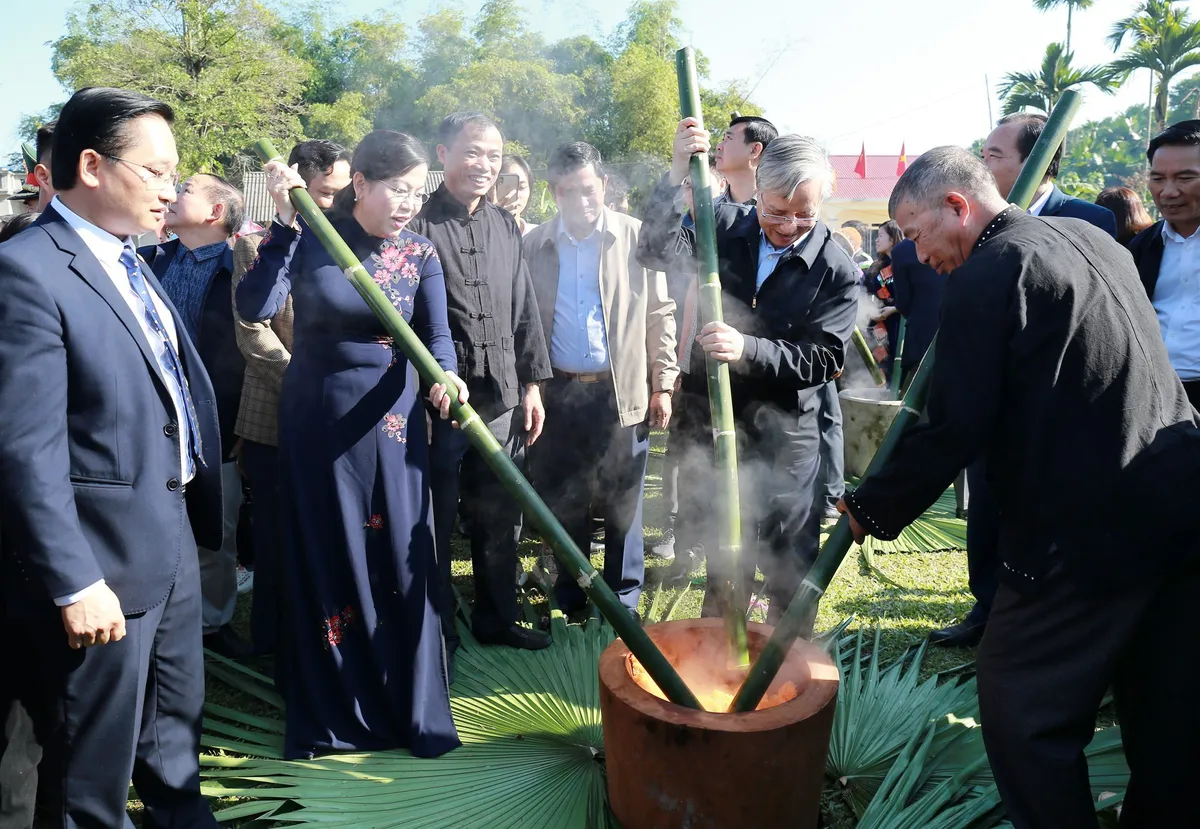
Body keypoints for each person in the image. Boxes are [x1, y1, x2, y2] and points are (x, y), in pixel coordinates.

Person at [839, 145, 1200, 829]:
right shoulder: (1094, 239)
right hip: (1179, 502)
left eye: (915, 234)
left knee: (1019, 706)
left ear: (957, 205)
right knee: (1165, 712)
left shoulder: (991, 272)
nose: (915, 254)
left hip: (1089, 530)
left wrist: (869, 507)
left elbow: (955, 424)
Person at [0, 86, 223, 827]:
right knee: (88, 784)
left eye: (176, 175)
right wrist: (73, 580)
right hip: (98, 572)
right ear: (92, 165)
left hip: (169, 543)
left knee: (175, 755)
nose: (173, 189)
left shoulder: (129, 260)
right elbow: (25, 448)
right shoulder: (29, 271)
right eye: (157, 172)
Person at [236, 129, 463, 760]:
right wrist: (283, 224)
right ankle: (334, 702)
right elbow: (255, 305)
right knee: (332, 550)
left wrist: (447, 378)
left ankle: (403, 702)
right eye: (397, 189)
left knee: (395, 550)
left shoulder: (421, 252)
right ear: (360, 182)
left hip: (392, 423)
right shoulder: (310, 236)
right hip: (319, 418)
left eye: (417, 192)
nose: (408, 204)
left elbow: (437, 338)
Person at [640, 118, 858, 622]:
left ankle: (785, 676)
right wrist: (676, 172)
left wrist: (747, 348)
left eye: (804, 215)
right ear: (757, 189)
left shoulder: (836, 268)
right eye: (775, 211)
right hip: (719, 427)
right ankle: (720, 664)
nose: (787, 226)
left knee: (787, 570)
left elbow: (824, 359)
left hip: (787, 438)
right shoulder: (726, 227)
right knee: (725, 557)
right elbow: (652, 250)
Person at [944, 114, 1127, 650]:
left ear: (1039, 160)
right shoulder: (972, 225)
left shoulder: (1085, 217)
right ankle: (986, 604)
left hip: (1055, 397)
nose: (984, 163)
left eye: (995, 154)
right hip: (991, 385)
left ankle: (1043, 611)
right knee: (985, 498)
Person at [409, 112, 553, 658]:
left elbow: (525, 311)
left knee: (501, 517)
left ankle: (497, 617)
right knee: (437, 518)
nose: (484, 165)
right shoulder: (416, 225)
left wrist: (534, 385)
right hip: (440, 405)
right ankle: (438, 630)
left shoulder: (506, 227)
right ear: (443, 154)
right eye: (472, 152)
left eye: (493, 155)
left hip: (503, 400)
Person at [525, 142, 677, 617]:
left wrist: (663, 382)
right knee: (567, 498)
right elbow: (525, 321)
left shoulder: (637, 238)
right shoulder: (536, 244)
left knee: (623, 502)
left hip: (622, 391)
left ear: (604, 186)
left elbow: (661, 312)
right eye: (569, 192)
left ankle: (623, 599)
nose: (582, 200)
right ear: (554, 192)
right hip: (560, 392)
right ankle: (572, 597)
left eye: (589, 189)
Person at [231, 139, 351, 654]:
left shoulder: (348, 237)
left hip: (335, 415)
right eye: (325, 193)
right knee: (277, 537)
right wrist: (304, 380)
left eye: (342, 193)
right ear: (295, 180)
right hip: (275, 411)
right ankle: (274, 642)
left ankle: (324, 639)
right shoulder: (256, 239)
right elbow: (251, 329)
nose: (334, 204)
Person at [140, 173, 251, 658]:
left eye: (184, 189)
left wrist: (243, 422)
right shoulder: (145, 261)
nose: (171, 194)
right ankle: (157, 618)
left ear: (214, 214)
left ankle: (212, 622)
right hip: (151, 413)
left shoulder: (243, 268)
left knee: (217, 525)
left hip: (218, 417)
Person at [653, 158, 727, 562]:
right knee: (681, 452)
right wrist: (675, 364)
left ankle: (710, 533)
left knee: (721, 452)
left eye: (699, 187)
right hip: (687, 359)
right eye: (685, 188)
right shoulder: (681, 236)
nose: (691, 195)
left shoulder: (738, 234)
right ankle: (676, 530)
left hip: (730, 360)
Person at [1129, 120, 1200, 407]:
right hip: (1154, 397)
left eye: (1185, 178)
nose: (1168, 192)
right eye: (1158, 178)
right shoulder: (1140, 248)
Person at [982, 112, 1117, 237]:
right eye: (983, 156)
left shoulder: (1090, 220)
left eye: (993, 156)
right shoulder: (982, 220)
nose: (981, 166)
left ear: (1035, 162)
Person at [888, 236, 946, 389]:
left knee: (917, 397)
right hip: (960, 334)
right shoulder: (960, 239)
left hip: (921, 335)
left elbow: (903, 303)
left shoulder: (902, 250)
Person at [864, 220, 903, 377]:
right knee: (884, 366)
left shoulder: (905, 264)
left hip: (899, 325)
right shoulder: (877, 267)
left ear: (893, 238)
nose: (876, 240)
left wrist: (893, 309)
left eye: (880, 236)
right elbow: (864, 292)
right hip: (881, 326)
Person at [715, 115, 778, 205]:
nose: (719, 146)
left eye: (729, 138)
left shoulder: (777, 210)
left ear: (754, 150)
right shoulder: (708, 210)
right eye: (723, 139)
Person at [494, 154, 538, 235]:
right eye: (507, 188)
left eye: (521, 187)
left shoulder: (537, 235)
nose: (514, 194)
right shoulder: (480, 235)